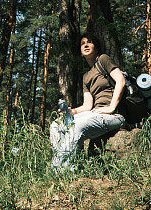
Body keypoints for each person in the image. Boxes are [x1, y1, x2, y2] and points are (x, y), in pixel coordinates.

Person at [50, 32, 125, 169]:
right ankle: (60, 166)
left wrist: (112, 107)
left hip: (114, 115)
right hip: (95, 112)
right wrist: (71, 111)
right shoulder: (86, 76)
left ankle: (65, 172)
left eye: (89, 42)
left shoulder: (103, 59)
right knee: (56, 125)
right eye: (82, 43)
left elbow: (120, 80)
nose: (85, 45)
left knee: (76, 127)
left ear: (96, 47)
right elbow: (87, 105)